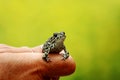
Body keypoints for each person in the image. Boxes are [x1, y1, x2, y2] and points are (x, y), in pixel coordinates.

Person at [0, 44, 76, 80]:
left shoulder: (62, 46)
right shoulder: (52, 44)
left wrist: (65, 55)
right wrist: (46, 58)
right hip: (47, 51)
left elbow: (66, 52)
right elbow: (46, 51)